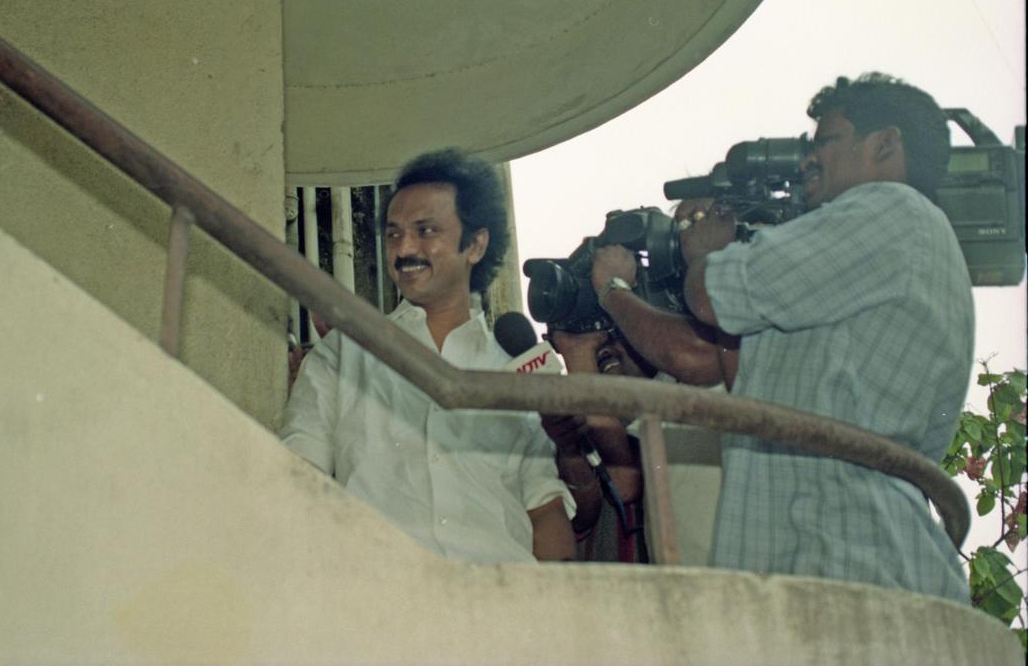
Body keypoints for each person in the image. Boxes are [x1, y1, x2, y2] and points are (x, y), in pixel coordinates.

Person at [592, 72, 973, 602]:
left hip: (841, 569)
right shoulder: (903, 242)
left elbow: (713, 295)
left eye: (825, 142)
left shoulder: (890, 210)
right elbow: (742, 369)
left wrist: (700, 255)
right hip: (825, 569)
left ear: (885, 145)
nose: (806, 160)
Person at [280, 148, 576, 563]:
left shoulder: (512, 374)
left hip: (501, 606)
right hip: (380, 600)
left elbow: (545, 513)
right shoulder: (343, 353)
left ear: (474, 245)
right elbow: (296, 481)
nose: (404, 250)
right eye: (394, 233)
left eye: (426, 230)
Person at [543, 328, 648, 563]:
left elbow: (624, 482)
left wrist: (578, 354)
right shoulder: (564, 425)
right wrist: (570, 452)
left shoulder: (673, 401)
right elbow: (579, 516)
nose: (602, 345)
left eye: (611, 329)